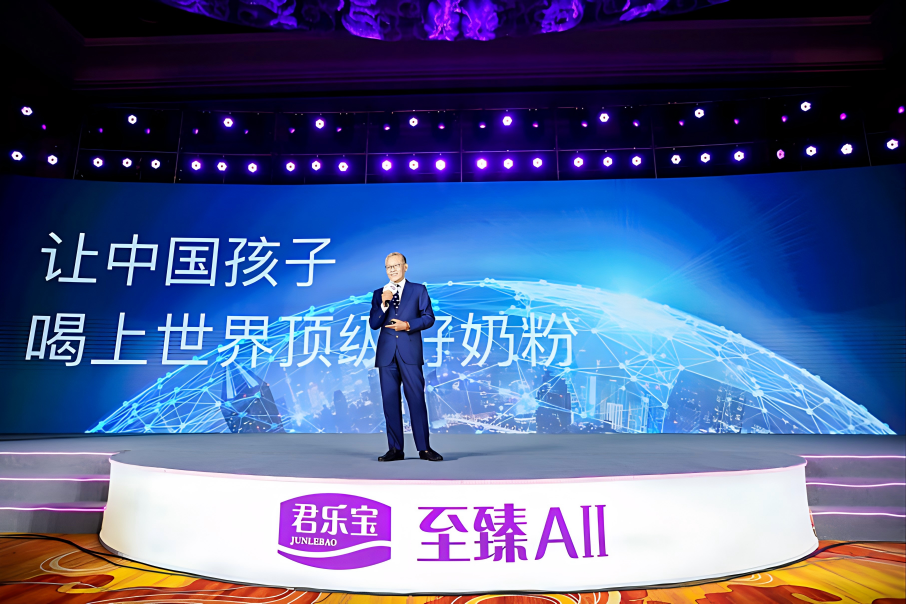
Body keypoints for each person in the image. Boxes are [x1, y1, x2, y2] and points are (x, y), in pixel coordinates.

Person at [368, 252, 443, 462]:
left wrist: (408, 325)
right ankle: (395, 450)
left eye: (396, 265)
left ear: (405, 267)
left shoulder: (418, 290)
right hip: (386, 355)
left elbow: (429, 318)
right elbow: (374, 323)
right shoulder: (379, 293)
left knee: (416, 400)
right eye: (388, 267)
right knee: (390, 402)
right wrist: (384, 304)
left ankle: (424, 449)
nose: (392, 270)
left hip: (410, 352)